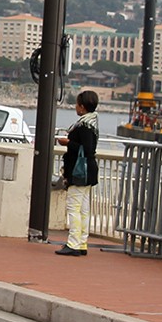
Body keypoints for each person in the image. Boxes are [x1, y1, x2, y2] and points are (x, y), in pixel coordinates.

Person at [55, 90, 100, 255]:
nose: (75, 107)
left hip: (80, 171)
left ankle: (73, 243)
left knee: (73, 207)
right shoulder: (92, 122)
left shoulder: (85, 125)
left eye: (77, 104)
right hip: (88, 170)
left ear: (82, 107)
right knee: (84, 208)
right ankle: (82, 243)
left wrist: (68, 142)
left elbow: (86, 149)